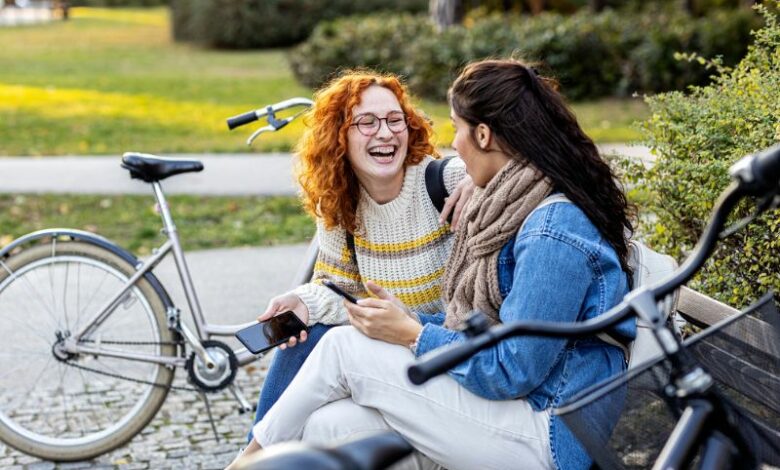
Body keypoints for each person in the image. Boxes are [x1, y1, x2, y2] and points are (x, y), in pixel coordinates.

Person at [232, 58, 636, 470]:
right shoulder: (513, 204)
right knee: (328, 426)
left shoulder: (550, 227)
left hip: (550, 432)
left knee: (341, 348)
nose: (454, 144)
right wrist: (403, 322)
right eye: (368, 123)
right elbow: (493, 331)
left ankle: (242, 464)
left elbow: (514, 369)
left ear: (483, 134)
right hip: (517, 409)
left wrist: (412, 333)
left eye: (457, 128)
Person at [246, 71, 473, 439]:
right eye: (366, 122)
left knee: (330, 352)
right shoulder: (340, 204)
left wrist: (482, 181)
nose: (385, 133)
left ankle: (251, 456)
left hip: (444, 341)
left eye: (394, 119)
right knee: (304, 340)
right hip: (389, 344)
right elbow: (338, 288)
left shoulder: (445, 180)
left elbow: (521, 169)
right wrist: (303, 303)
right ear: (339, 137)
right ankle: (256, 455)